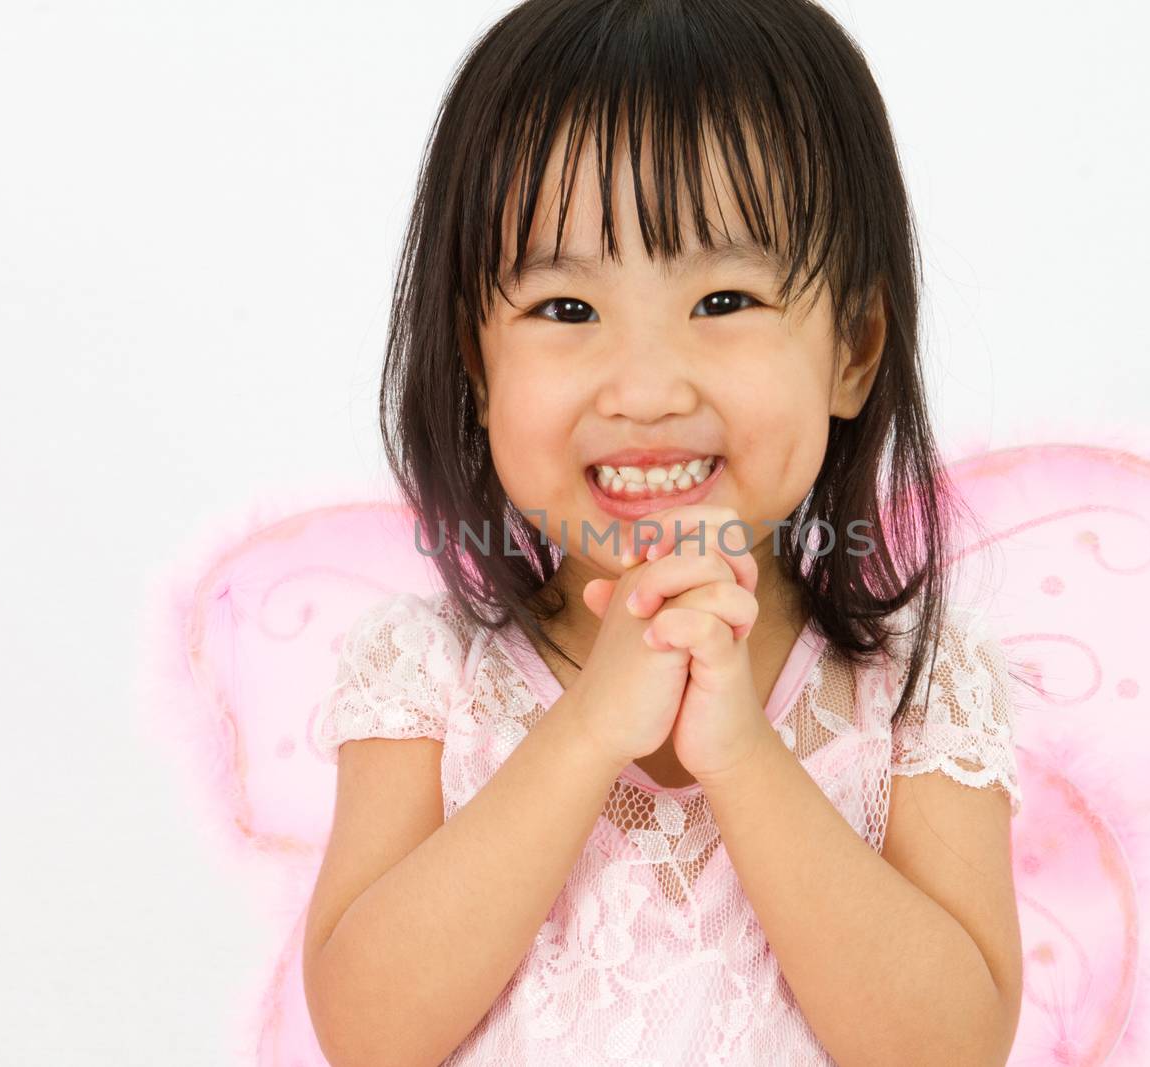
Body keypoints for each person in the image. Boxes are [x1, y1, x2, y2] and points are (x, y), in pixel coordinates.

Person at [301, 1, 1024, 1062]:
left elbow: (947, 1047)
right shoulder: (428, 672)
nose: (642, 388)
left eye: (723, 298)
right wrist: (590, 724)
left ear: (854, 349)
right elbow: (367, 1029)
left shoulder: (913, 683)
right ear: (476, 358)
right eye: (566, 310)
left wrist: (738, 751)